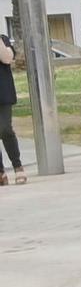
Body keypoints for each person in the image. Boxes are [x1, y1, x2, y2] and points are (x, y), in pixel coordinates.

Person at [0, 30, 24, 184]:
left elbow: (7, 58)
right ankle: (1, 172)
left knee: (5, 129)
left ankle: (18, 166)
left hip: (3, 93)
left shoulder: (3, 39)